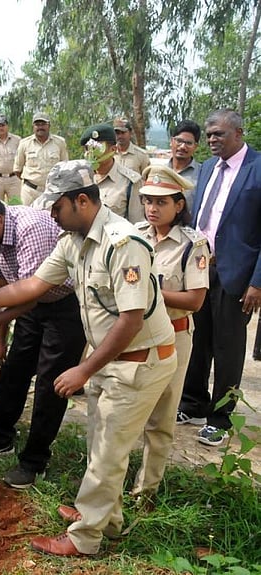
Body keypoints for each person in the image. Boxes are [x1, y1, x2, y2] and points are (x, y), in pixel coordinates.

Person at [0, 159, 177, 557]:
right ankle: (107, 518)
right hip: (113, 360)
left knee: (107, 451)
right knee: (102, 443)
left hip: (140, 361)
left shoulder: (123, 244)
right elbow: (32, 286)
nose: (50, 214)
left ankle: (85, 537)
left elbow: (131, 319)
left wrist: (84, 369)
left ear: (82, 201)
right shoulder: (72, 241)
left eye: (56, 207)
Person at [0, 186, 86, 489]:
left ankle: (34, 462)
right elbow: (4, 286)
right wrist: (1, 341)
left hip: (64, 307)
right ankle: (0, 440)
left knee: (51, 385)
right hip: (28, 306)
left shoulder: (30, 230)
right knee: (13, 372)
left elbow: (29, 297)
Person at [179, 109, 261, 446]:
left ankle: (220, 419)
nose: (212, 139)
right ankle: (193, 404)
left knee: (227, 347)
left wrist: (257, 282)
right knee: (197, 339)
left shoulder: (257, 168)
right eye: (209, 134)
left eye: (219, 134)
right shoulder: (208, 167)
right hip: (200, 268)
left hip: (237, 273)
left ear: (238, 133)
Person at [131, 165, 208, 503]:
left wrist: (150, 293)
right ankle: (108, 486)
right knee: (124, 411)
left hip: (174, 337)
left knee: (161, 418)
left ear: (179, 205)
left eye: (161, 202)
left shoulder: (193, 244)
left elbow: (195, 300)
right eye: (148, 200)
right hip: (134, 333)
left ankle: (145, 492)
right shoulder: (134, 235)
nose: (152, 208)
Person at [79, 124, 143, 223]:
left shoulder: (130, 181)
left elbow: (136, 222)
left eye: (96, 148)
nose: (91, 153)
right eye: (87, 148)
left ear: (113, 149)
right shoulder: (80, 178)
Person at [14, 112, 69, 205]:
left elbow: (65, 168)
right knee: (28, 214)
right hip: (30, 192)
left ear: (49, 125)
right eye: (37, 124)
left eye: (43, 124)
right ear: (33, 126)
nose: (40, 127)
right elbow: (17, 170)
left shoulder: (60, 142)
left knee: (53, 215)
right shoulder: (24, 144)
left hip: (53, 192)